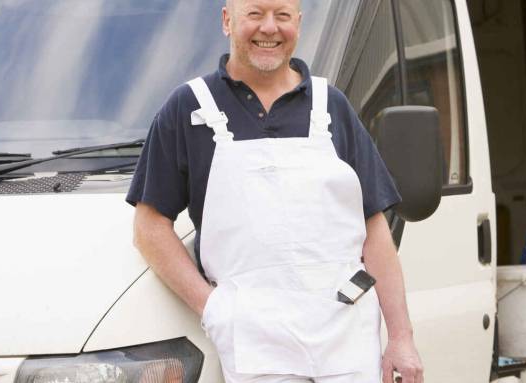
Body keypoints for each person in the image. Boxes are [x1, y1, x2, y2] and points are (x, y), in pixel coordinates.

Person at [126, 0, 424, 382]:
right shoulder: (188, 108)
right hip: (255, 345)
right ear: (226, 20)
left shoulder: (330, 105)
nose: (269, 28)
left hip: (347, 339)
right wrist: (213, 308)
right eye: (255, 14)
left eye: (282, 16)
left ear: (297, 23)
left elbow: (374, 229)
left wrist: (401, 337)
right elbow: (149, 228)